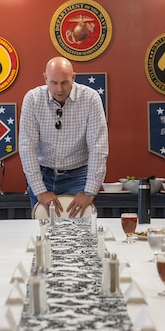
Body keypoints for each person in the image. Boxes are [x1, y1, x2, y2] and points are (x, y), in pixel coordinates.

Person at [18, 56, 108, 217]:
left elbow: (98, 147)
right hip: (42, 175)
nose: (59, 89)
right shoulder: (32, 99)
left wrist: (89, 192)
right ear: (45, 78)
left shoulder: (91, 98)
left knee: (77, 234)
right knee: (43, 232)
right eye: (53, 83)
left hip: (78, 176)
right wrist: (40, 191)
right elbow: (27, 147)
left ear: (73, 77)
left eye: (65, 82)